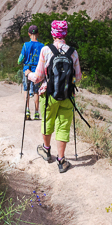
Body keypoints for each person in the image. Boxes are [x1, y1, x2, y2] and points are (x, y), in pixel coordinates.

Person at [28, 20, 82, 173]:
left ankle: (46, 150)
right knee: (63, 126)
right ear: (65, 33)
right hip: (68, 95)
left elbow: (38, 76)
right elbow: (78, 77)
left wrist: (28, 74)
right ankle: (61, 159)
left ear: (53, 33)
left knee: (47, 121)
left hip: (49, 94)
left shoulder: (46, 50)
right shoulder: (73, 52)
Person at [18, 24, 44, 120]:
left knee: (26, 90)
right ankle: (37, 113)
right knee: (36, 91)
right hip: (37, 71)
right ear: (37, 33)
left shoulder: (25, 45)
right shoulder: (42, 46)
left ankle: (27, 110)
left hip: (27, 70)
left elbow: (19, 60)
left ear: (29, 34)